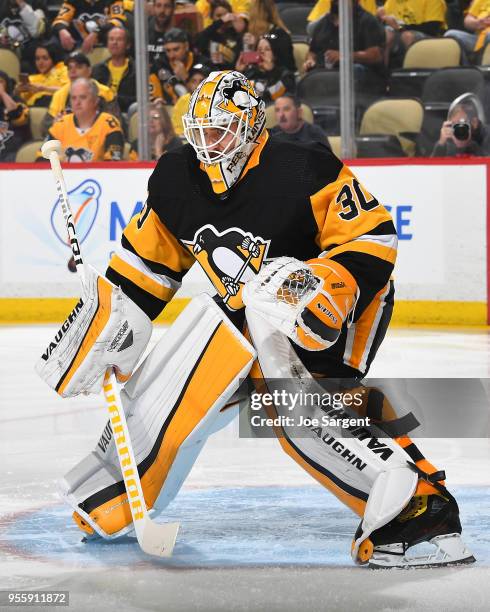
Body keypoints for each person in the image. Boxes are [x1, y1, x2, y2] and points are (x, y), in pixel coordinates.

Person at [48, 69, 474, 569]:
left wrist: (324, 286)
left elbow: (373, 238)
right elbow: (145, 267)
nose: (207, 143)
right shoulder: (175, 178)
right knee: (189, 370)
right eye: (200, 131)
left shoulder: (304, 168)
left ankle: (421, 516)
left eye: (220, 130)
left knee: (298, 410)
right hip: (254, 302)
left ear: (250, 126)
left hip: (335, 304)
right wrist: (107, 324)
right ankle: (123, 490)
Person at [304, 0, 386, 97]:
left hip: (360, 78)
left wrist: (344, 56)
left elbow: (376, 55)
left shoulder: (368, 21)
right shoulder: (323, 22)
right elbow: (312, 52)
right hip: (325, 76)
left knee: (354, 70)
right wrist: (310, 60)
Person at [39, 77, 124, 162]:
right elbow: (42, 160)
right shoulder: (61, 124)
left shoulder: (109, 124)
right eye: (73, 98)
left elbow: (113, 163)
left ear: (96, 101)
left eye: (83, 97)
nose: (77, 102)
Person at [45, 51, 116, 132]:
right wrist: (54, 123)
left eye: (78, 67)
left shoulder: (105, 92)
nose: (73, 71)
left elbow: (116, 122)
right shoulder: (59, 94)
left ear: (89, 70)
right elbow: (45, 126)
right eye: (69, 68)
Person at [378, 0, 447, 66]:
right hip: (398, 35)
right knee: (386, 34)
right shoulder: (391, 2)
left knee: (407, 36)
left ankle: (407, 71)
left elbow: (432, 28)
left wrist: (400, 28)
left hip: (429, 37)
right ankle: (383, 73)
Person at [153, 27, 207, 104]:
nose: (171, 55)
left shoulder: (201, 63)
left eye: (176, 49)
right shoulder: (160, 64)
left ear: (186, 46)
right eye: (168, 51)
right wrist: (157, 100)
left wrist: (186, 77)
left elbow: (204, 98)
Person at [237, 33, 295, 103]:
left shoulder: (286, 76)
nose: (262, 52)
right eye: (259, 49)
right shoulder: (251, 72)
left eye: (267, 49)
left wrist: (271, 72)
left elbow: (273, 97)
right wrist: (239, 73)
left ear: (275, 55)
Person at [52, 0, 127, 54]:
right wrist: (62, 30)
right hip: (80, 48)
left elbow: (118, 21)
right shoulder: (72, 2)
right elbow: (59, 20)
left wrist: (96, 33)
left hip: (107, 47)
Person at [91, 26, 136, 113]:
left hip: (125, 112)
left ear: (128, 45)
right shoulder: (97, 69)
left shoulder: (135, 70)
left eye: (119, 39)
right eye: (111, 39)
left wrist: (114, 98)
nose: (114, 42)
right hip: (100, 112)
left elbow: (138, 99)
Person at [244, 0, 295, 72]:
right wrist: (248, 48)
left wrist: (257, 41)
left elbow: (284, 63)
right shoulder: (250, 34)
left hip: (280, 78)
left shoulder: (279, 34)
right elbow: (247, 61)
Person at [195, 0, 246, 70]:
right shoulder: (208, 34)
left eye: (225, 15)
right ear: (212, 17)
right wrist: (220, 21)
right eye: (219, 16)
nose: (224, 18)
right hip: (210, 74)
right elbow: (198, 42)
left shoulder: (235, 35)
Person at [0, 0, 48, 72]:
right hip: (6, 51)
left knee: (25, 65)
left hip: (29, 54)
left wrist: (23, 6)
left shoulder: (36, 3)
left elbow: (36, 31)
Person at [16, 42, 68, 107]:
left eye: (45, 58)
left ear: (53, 58)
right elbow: (22, 102)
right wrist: (18, 91)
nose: (40, 62)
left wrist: (44, 88)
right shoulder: (32, 78)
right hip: (32, 110)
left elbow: (68, 91)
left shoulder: (64, 70)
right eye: (37, 59)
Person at [171, 63, 211, 136]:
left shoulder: (215, 100)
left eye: (202, 81)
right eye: (194, 81)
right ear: (188, 84)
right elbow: (176, 127)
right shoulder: (183, 100)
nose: (198, 85)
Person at [0, 70, 29, 161]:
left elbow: (17, 115)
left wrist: (2, 93)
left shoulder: (18, 101)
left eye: (0, 82)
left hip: (13, 150)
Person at [148, 0, 175, 69]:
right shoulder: (143, 31)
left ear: (173, 8)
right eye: (158, 6)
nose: (162, 11)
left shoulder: (179, 34)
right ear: (153, 7)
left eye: (167, 6)